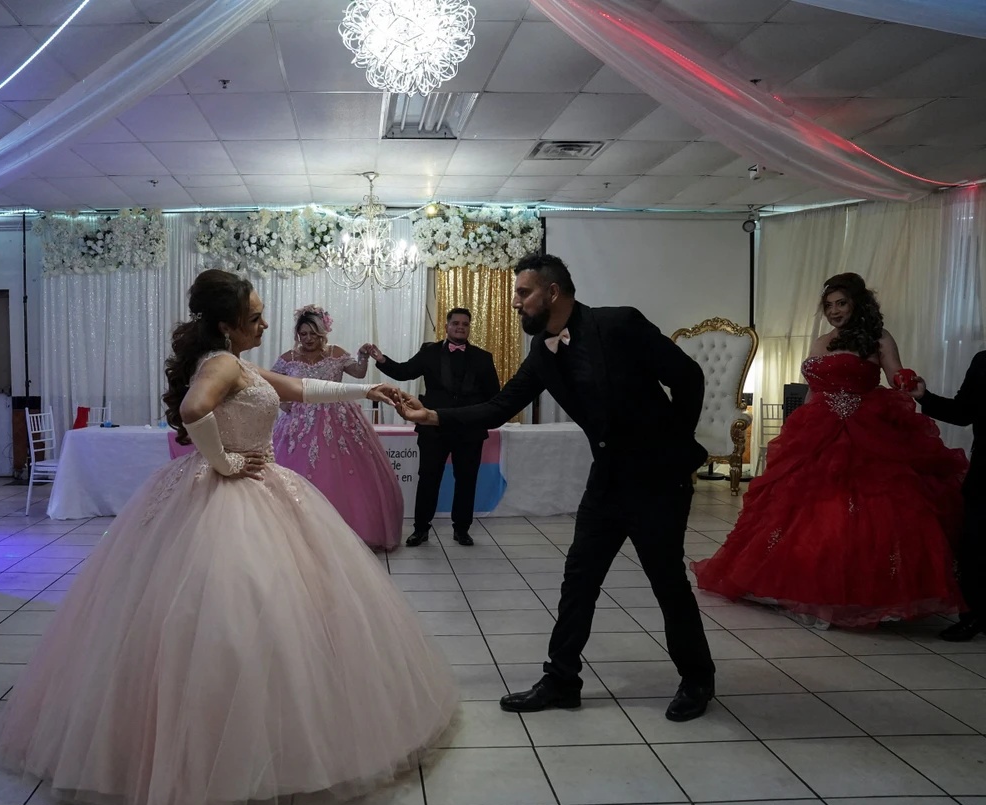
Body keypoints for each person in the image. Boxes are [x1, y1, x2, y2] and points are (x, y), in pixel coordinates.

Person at [0, 270, 457, 805]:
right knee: (230, 607)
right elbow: (193, 411)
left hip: (257, 483)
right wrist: (223, 461)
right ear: (228, 324)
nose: (263, 322)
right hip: (229, 491)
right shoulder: (221, 363)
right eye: (254, 316)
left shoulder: (237, 361)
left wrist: (367, 388)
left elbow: (302, 388)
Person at [395, 254, 716, 723]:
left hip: (657, 481)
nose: (515, 304)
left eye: (523, 294)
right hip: (606, 480)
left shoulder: (620, 324)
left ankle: (697, 679)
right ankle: (562, 680)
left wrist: (675, 449)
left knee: (666, 582)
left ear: (552, 292)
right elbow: (500, 405)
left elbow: (688, 377)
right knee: (579, 580)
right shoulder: (543, 353)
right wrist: (432, 416)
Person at [693, 273, 967, 629]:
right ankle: (797, 584)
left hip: (865, 430)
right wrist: (798, 426)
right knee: (802, 508)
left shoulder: (877, 338)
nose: (835, 311)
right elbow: (811, 390)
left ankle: (860, 592)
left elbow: (897, 377)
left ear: (857, 303)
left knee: (865, 510)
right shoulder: (822, 341)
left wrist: (911, 384)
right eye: (829, 305)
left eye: (841, 303)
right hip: (817, 428)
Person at [271, 305, 404, 551]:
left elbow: (359, 372)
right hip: (299, 423)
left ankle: (349, 534)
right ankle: (299, 534)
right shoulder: (288, 358)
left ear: (323, 333)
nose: (308, 339)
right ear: (297, 335)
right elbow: (270, 385)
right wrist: (285, 404)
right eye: (303, 334)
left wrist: (363, 355)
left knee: (345, 474)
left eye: (313, 333)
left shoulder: (336, 353)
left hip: (339, 418)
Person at [365, 308, 500, 547]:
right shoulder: (429, 352)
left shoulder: (483, 357)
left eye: (465, 324)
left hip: (469, 430)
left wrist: (483, 420)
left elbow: (493, 396)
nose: (460, 327)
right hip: (433, 428)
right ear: (447, 326)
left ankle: (462, 529)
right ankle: (420, 529)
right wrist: (381, 359)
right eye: (456, 323)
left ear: (469, 328)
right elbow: (404, 371)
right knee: (428, 479)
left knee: (467, 481)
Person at [910, 351, 985, 641]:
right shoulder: (982, 361)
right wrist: (923, 396)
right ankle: (974, 616)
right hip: (985, 473)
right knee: (975, 546)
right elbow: (963, 412)